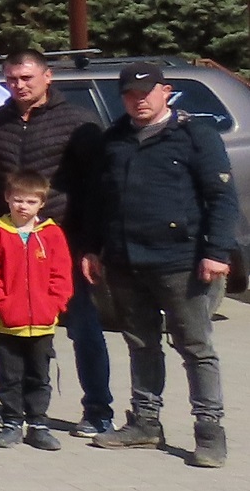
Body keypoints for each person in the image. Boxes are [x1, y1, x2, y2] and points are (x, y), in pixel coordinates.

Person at [76, 62, 238, 468]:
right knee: (141, 344)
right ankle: (146, 422)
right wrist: (94, 247)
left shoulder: (194, 135)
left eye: (146, 92)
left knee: (195, 347)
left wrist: (217, 252)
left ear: (165, 91)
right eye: (130, 95)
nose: (138, 100)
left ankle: (209, 430)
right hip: (125, 259)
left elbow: (222, 198)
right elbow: (99, 200)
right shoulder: (113, 139)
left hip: (180, 260)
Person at [0, 50, 114, 437]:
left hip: (62, 242)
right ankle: (16, 412)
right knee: (12, 335)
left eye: (27, 78)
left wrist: (90, 247)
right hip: (11, 247)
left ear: (47, 77)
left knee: (83, 327)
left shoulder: (78, 121)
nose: (19, 85)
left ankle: (98, 409)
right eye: (13, 79)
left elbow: (97, 189)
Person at [0, 171, 72, 451]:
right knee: (10, 375)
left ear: (41, 204)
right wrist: (0, 305)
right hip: (7, 323)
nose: (23, 206)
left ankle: (38, 424)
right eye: (17, 200)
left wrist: (54, 305)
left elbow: (62, 275)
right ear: (7, 198)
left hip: (42, 323)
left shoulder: (52, 234)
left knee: (39, 376)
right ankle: (11, 422)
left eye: (30, 201)